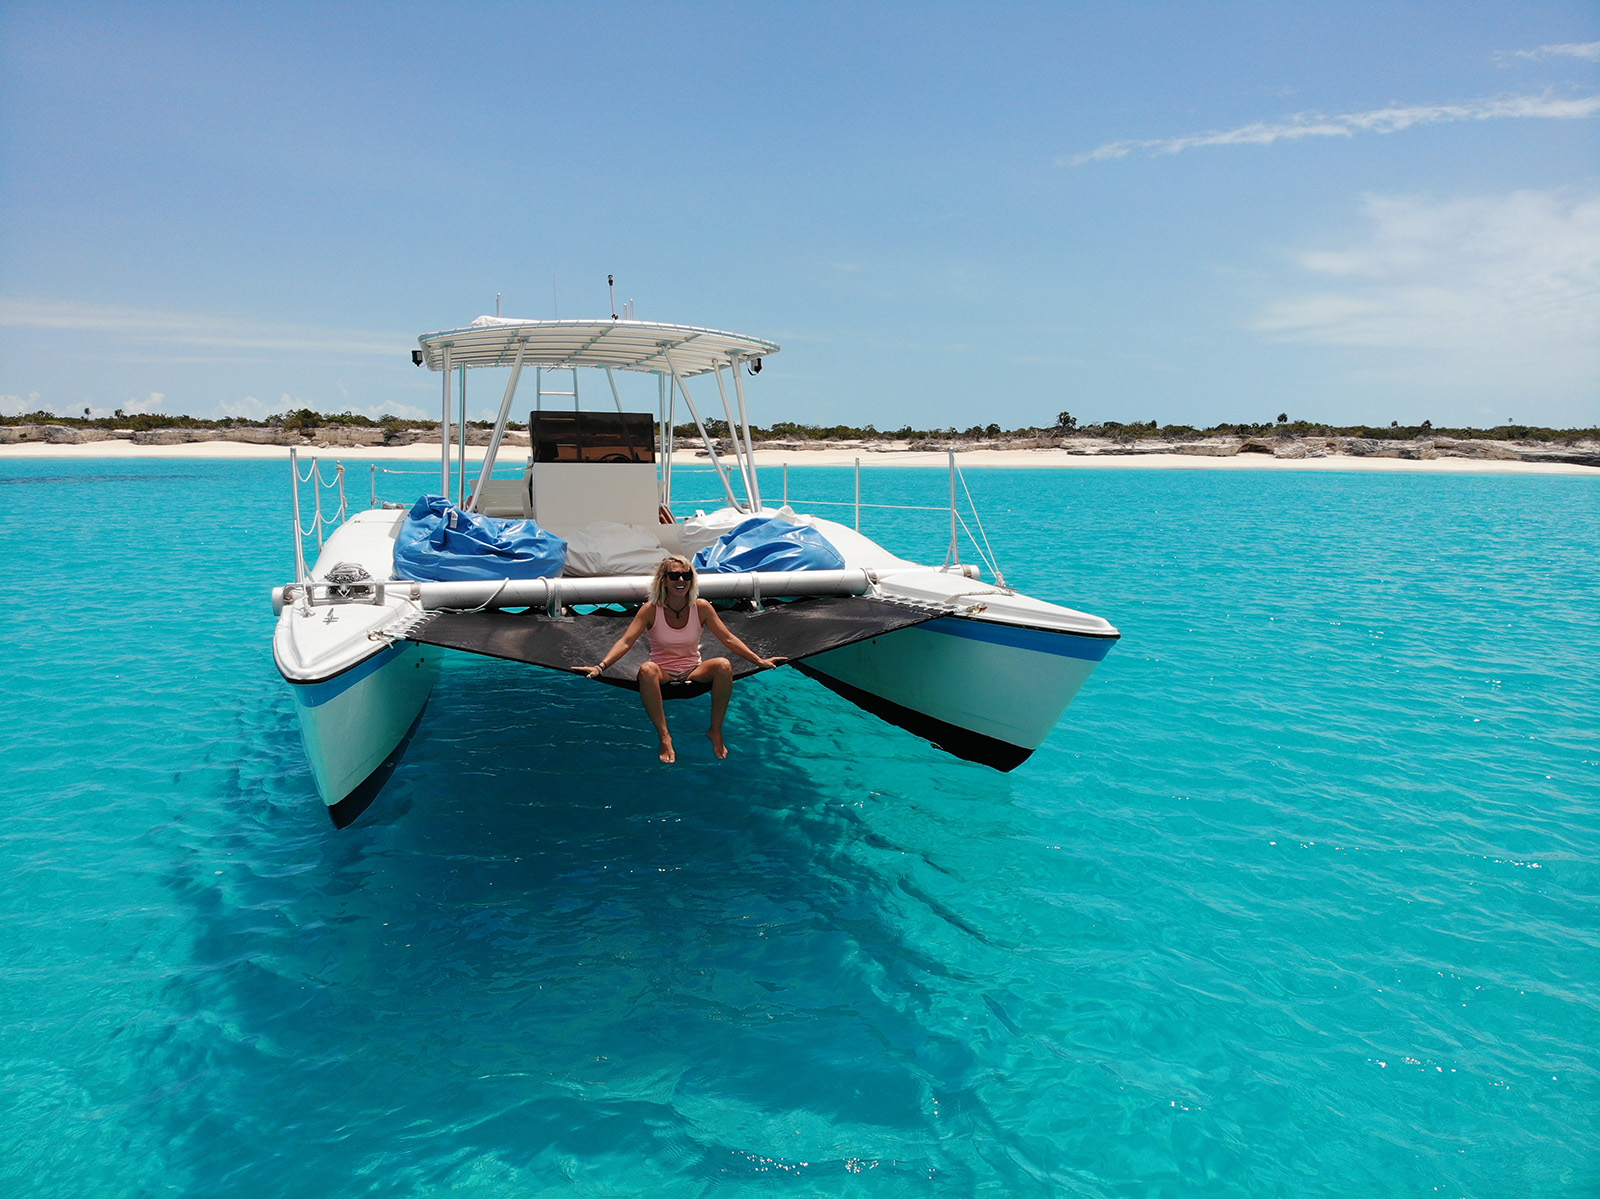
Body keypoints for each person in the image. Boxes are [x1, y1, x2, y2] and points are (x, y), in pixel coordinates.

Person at [579, 556, 785, 763]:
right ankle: (665, 736)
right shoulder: (651, 610)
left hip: (693, 669)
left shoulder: (701, 607)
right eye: (674, 575)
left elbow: (728, 638)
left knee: (723, 665)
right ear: (663, 580)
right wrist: (601, 666)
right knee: (647, 669)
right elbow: (626, 641)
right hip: (663, 671)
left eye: (686, 576)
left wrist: (759, 661)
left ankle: (715, 730)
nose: (681, 580)